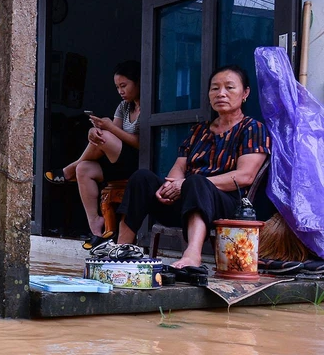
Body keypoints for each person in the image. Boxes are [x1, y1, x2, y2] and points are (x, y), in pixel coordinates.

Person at [116, 65, 271, 269]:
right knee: (142, 178)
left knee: (197, 182)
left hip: (226, 205)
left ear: (245, 93)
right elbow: (179, 167)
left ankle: (192, 255)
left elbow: (245, 176)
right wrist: (171, 186)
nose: (221, 93)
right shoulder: (199, 130)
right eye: (215, 88)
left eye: (229, 87)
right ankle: (121, 249)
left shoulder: (252, 128)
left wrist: (187, 184)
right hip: (186, 199)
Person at [44, 61, 142, 247]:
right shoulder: (123, 106)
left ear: (138, 82)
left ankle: (68, 170)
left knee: (104, 136)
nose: (120, 91)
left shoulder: (148, 106)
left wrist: (108, 128)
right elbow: (114, 134)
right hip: (117, 160)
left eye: (124, 85)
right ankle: (96, 227)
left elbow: (139, 142)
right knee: (84, 168)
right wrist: (94, 132)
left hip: (138, 162)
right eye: (117, 87)